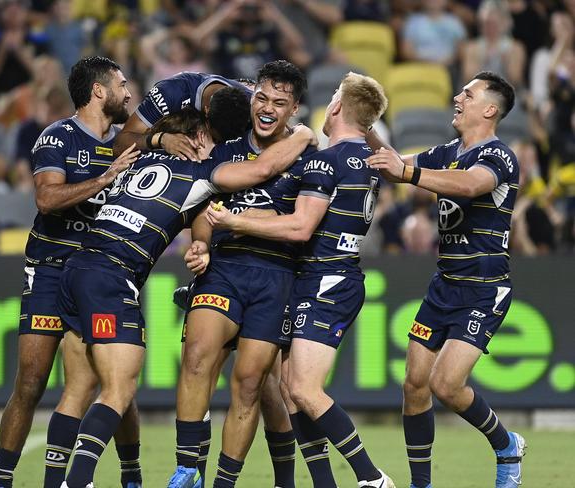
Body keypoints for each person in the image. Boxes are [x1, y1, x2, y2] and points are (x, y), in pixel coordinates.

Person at [55, 107, 317, 488]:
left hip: (77, 268)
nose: (217, 147)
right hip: (112, 275)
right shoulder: (198, 170)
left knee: (83, 386)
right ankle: (76, 481)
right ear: (194, 139)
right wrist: (302, 137)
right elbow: (260, 171)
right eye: (210, 140)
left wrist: (199, 243)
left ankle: (124, 477)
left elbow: (129, 142)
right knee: (120, 388)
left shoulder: (138, 158)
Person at [205, 72, 394, 488]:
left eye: (333, 98)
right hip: (324, 277)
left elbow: (300, 228)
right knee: (290, 390)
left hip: (327, 278)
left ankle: (371, 479)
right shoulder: (373, 158)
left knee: (305, 390)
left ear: (338, 108)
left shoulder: (328, 160)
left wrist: (236, 221)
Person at [365, 71, 525, 488]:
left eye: (467, 94)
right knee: (415, 384)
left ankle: (506, 444)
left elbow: (471, 185)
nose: (457, 97)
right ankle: (422, 485)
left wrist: (409, 174)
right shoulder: (450, 151)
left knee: (446, 384)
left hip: (485, 289)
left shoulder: (499, 157)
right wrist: (363, 128)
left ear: (489, 109)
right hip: (445, 285)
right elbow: (398, 165)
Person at [0, 56, 142, 488]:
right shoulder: (56, 137)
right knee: (32, 380)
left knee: (114, 380)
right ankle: (3, 480)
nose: (128, 93)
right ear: (99, 91)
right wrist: (104, 178)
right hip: (51, 270)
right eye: (122, 84)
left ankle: (131, 474)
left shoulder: (129, 142)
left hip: (100, 275)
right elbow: (47, 199)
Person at [168, 60, 313, 488]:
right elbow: (201, 213)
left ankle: (224, 482)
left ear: (294, 108)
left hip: (277, 276)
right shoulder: (225, 147)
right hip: (224, 268)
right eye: (262, 98)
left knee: (250, 383)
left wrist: (247, 216)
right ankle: (187, 469)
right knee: (197, 355)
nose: (267, 109)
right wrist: (199, 244)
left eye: (279, 103)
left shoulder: (311, 158)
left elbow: (304, 223)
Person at [113, 71, 253, 160]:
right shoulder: (171, 93)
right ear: (206, 110)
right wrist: (160, 139)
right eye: (215, 138)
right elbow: (119, 145)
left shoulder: (257, 108)